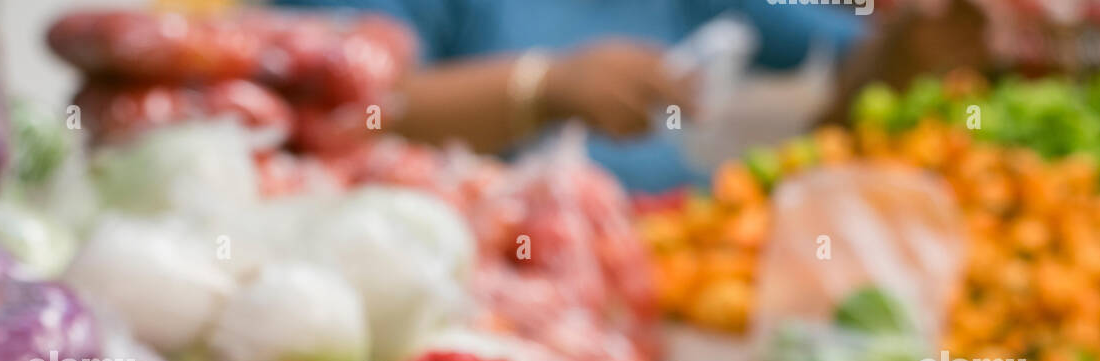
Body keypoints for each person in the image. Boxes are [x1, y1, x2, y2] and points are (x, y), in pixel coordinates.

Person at [279, 0, 989, 192]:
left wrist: (907, 46)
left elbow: (843, 64)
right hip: (485, 284)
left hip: (665, 265)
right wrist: (542, 87)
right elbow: (329, 107)